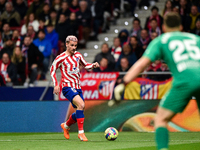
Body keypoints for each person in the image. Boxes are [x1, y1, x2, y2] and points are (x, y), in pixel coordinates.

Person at [114, 12, 200, 150]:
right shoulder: (195, 38)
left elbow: (142, 64)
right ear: (181, 26)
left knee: (160, 119)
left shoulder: (162, 40)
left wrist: (124, 82)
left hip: (184, 81)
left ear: (164, 27)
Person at [50, 35, 99, 141]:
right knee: (81, 104)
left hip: (77, 87)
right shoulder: (60, 57)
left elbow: (85, 65)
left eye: (75, 46)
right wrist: (56, 84)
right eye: (72, 45)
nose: (74, 48)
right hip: (67, 86)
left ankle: (66, 126)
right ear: (66, 44)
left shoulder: (78, 55)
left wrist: (93, 65)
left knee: (80, 110)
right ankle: (81, 133)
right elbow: (52, 69)